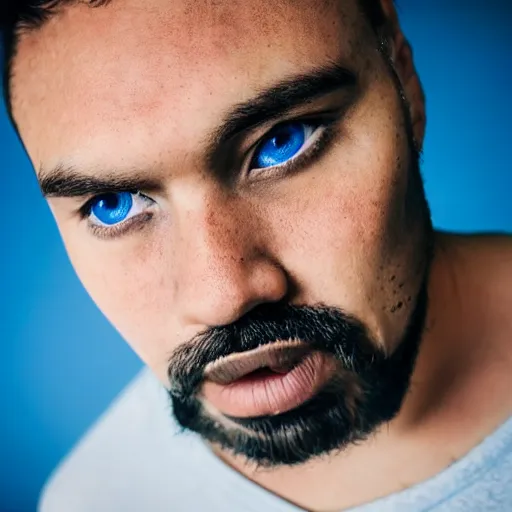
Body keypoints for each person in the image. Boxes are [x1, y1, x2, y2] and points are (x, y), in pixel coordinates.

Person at [2, 0, 511, 510]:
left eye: (281, 143)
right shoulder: (94, 499)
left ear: (402, 74)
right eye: (112, 206)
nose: (224, 297)